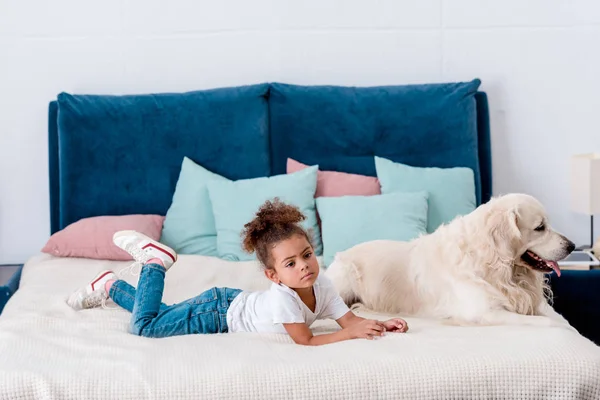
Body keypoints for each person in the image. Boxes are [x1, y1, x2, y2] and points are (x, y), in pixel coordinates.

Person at [67, 198, 408, 345]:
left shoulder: (323, 285)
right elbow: (306, 341)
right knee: (146, 328)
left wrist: (381, 325)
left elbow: (348, 321)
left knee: (160, 313)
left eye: (307, 255)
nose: (304, 265)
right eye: (290, 263)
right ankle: (154, 263)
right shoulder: (285, 298)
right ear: (273, 276)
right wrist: (347, 335)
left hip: (224, 303)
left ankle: (111, 286)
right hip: (217, 314)